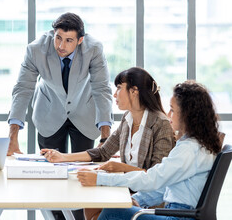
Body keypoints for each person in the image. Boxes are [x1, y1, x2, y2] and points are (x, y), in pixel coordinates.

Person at [42, 67, 175, 220]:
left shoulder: (160, 124)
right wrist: (63, 157)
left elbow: (156, 176)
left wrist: (121, 168)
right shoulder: (128, 118)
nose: (114, 94)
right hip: (124, 188)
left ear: (134, 91)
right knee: (90, 201)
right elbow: (103, 152)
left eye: (119, 88)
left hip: (145, 196)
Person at [77, 80, 222, 220]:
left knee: (114, 210)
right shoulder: (198, 144)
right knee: (114, 208)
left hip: (178, 217)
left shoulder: (189, 149)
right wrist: (136, 199)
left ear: (188, 115)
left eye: (172, 110)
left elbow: (152, 179)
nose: (169, 115)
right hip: (180, 213)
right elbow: (165, 186)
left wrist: (100, 178)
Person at [7, 12, 113, 157]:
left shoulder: (94, 49)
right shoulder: (36, 50)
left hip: (84, 111)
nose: (61, 46)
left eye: (69, 40)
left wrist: (105, 138)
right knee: (51, 169)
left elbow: (101, 89)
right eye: (58, 38)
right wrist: (12, 137)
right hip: (49, 112)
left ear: (80, 40)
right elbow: (23, 89)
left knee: (82, 167)